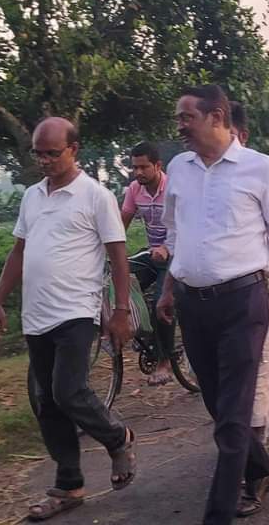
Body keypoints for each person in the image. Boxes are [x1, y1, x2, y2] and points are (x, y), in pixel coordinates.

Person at [158, 85, 269, 524]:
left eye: (186, 117)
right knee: (216, 402)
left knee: (234, 413)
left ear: (217, 116)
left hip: (243, 302)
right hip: (192, 304)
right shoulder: (179, 168)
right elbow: (176, 235)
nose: (180, 126)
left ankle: (219, 512)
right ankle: (261, 466)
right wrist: (168, 289)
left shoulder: (261, 169)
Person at [0, 117, 136, 521]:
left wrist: (121, 310)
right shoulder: (32, 196)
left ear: (74, 150)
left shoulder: (95, 196)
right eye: (38, 153)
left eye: (52, 153)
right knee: (46, 402)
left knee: (68, 391)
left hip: (76, 311)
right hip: (36, 314)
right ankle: (69, 485)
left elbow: (118, 256)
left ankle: (117, 437)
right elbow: (19, 251)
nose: (44, 160)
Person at [230, 101, 269, 446]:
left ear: (242, 135)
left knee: (258, 363)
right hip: (213, 297)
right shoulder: (194, 174)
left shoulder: (261, 171)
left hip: (259, 285)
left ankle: (255, 447)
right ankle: (237, 441)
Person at [120, 141, 175, 386]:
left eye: (144, 167)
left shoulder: (172, 188)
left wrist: (167, 248)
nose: (138, 172)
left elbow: (184, 224)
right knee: (120, 280)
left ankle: (165, 361)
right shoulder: (134, 189)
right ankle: (143, 330)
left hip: (175, 255)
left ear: (158, 166)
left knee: (160, 303)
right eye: (135, 168)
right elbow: (119, 226)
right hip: (151, 255)